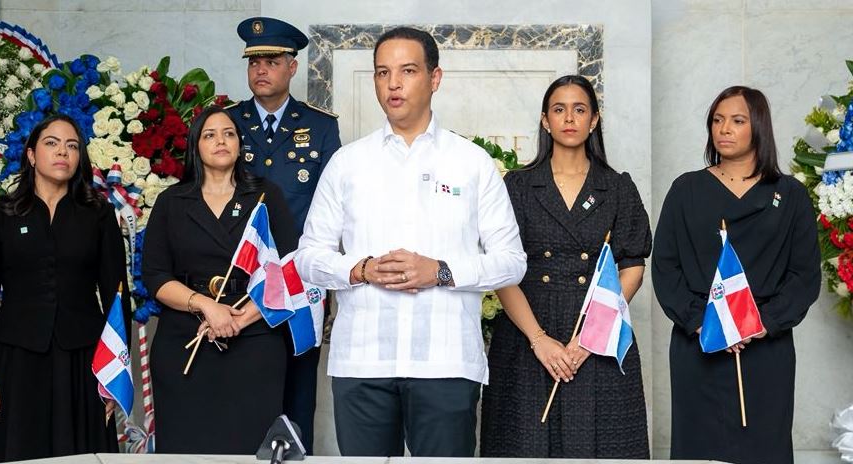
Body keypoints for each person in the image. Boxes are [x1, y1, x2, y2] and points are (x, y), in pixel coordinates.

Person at [296, 27, 526, 457]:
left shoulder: (471, 163)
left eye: (407, 71)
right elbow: (308, 257)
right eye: (382, 72)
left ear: (435, 78)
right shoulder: (347, 164)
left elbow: (512, 261)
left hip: (446, 363)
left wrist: (440, 271)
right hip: (362, 362)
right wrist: (360, 269)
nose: (393, 84)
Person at [480, 75, 651, 458]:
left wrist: (591, 336)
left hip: (598, 334)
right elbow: (502, 269)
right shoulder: (518, 186)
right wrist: (539, 339)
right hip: (527, 334)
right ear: (545, 120)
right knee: (523, 445)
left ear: (594, 120)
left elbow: (633, 267)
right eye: (559, 109)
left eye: (579, 109)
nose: (569, 118)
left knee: (604, 447)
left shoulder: (617, 187)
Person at [652, 86, 820, 464]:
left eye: (737, 120)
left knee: (764, 447)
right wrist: (704, 322)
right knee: (699, 449)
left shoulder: (790, 194)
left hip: (766, 347)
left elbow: (804, 275)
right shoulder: (685, 189)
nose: (724, 128)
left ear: (758, 126)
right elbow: (665, 267)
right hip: (699, 343)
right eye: (717, 120)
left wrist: (761, 322)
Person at [0, 114, 130, 463]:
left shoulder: (99, 215)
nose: (62, 152)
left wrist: (114, 376)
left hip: (83, 363)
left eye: (72, 146)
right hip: (16, 361)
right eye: (52, 143)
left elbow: (117, 298)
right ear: (31, 155)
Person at [142, 106, 298, 454]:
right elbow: (155, 275)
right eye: (209, 135)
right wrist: (206, 307)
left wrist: (239, 319)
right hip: (186, 338)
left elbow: (290, 269)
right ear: (195, 146)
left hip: (255, 337)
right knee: (186, 449)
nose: (221, 141)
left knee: (250, 447)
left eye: (229, 134)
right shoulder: (172, 201)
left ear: (240, 145)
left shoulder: (265, 196)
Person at [226, 17, 342, 452]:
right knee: (240, 392)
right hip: (237, 278)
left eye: (272, 61)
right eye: (254, 62)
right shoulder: (227, 123)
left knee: (297, 393)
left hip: (298, 280)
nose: (261, 70)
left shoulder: (321, 126)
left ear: (292, 67)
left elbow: (334, 205)